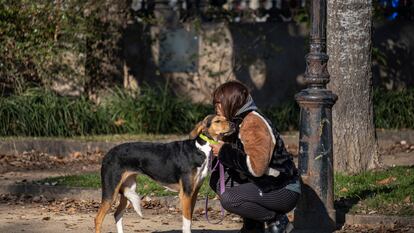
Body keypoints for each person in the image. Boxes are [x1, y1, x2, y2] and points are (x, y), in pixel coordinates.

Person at [209, 81, 301, 233]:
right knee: (219, 180)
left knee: (230, 198)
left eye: (219, 103)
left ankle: (277, 220)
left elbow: (256, 168)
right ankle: (254, 227)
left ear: (232, 102)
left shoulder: (253, 123)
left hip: (282, 188)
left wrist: (225, 152)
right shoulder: (236, 122)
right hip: (264, 183)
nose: (216, 108)